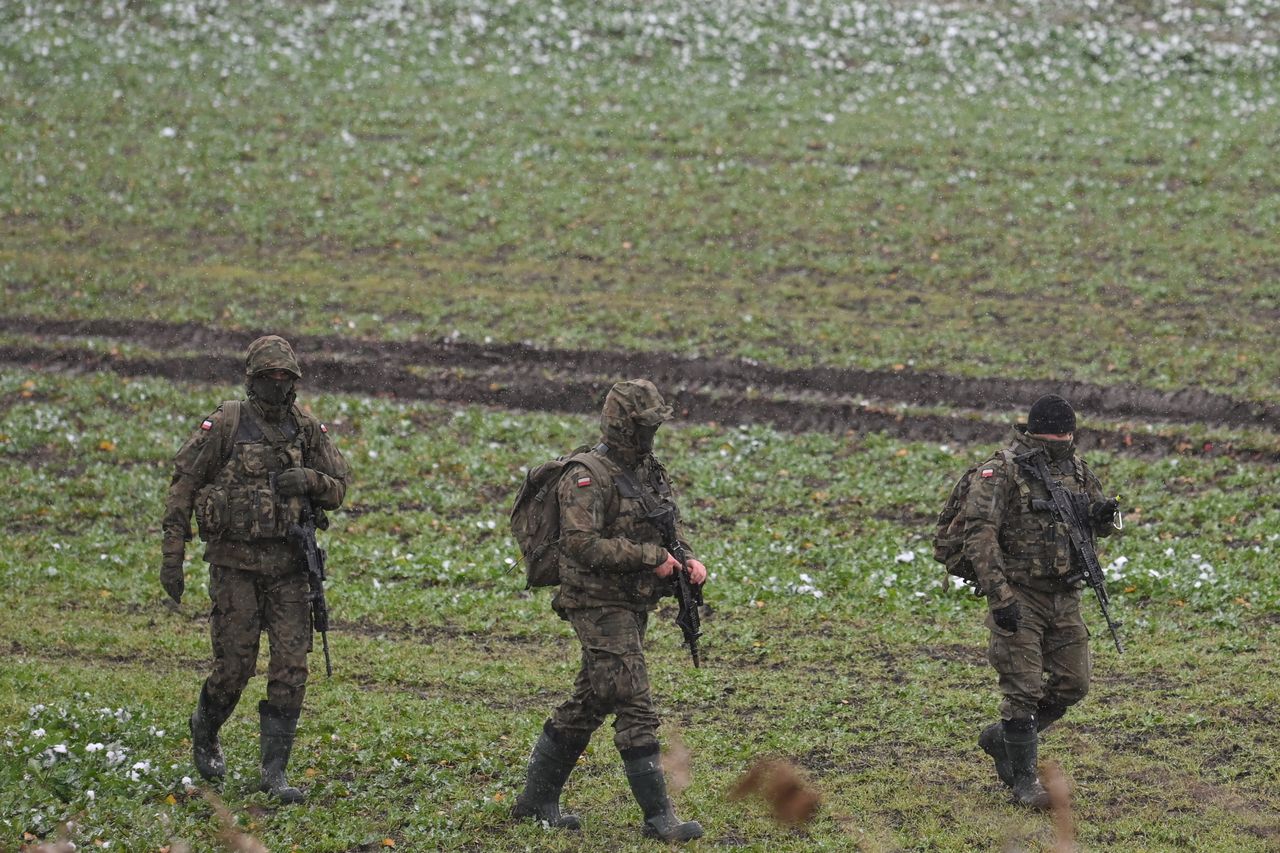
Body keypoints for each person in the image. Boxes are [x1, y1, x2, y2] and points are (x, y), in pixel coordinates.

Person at [512, 379, 708, 841]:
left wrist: (688, 560)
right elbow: (579, 545)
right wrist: (651, 559)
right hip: (595, 600)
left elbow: (667, 529)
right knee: (633, 698)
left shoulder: (648, 471)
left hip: (631, 599)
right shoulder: (586, 476)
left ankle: (535, 801)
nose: (651, 435)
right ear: (623, 424)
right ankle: (660, 819)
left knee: (594, 696)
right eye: (644, 426)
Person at [160, 335, 349, 803]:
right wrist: (172, 554)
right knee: (234, 666)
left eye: (285, 377)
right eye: (269, 377)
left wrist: (309, 480)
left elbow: (339, 488)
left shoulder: (305, 427)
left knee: (291, 669)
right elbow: (184, 485)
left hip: (289, 569)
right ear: (253, 380)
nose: (278, 385)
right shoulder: (225, 423)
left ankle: (274, 775)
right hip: (234, 566)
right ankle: (204, 730)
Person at [963, 394, 1119, 807]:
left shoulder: (1077, 470)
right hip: (1021, 594)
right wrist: (1000, 596)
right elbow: (979, 535)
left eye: (1066, 435)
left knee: (1073, 684)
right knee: (1024, 689)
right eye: (1054, 435)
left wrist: (1101, 517)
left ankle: (1005, 738)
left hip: (1065, 595)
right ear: (1034, 432)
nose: (1061, 441)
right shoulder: (1002, 472)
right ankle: (1024, 781)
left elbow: (1090, 524)